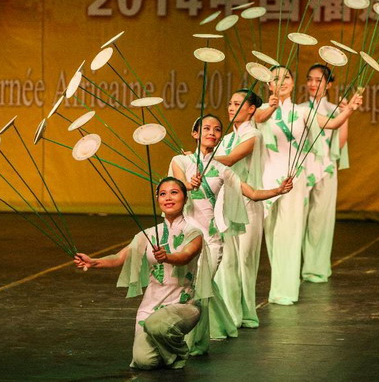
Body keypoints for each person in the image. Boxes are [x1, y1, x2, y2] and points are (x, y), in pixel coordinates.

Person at [169, 114, 292, 353]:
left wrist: (279, 189)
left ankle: (195, 342)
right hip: (186, 237)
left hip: (212, 238)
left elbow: (253, 194)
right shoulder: (180, 162)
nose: (212, 132)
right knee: (186, 288)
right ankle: (220, 325)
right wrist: (189, 185)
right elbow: (176, 188)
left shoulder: (222, 169)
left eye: (217, 129)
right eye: (206, 128)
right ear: (195, 134)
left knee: (200, 290)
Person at [73, 177, 212, 370]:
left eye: (174, 192)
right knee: (143, 361)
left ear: (185, 198)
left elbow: (185, 256)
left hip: (183, 305)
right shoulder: (149, 234)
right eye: (163, 194)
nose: (168, 198)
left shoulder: (194, 233)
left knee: (157, 325)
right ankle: (165, 350)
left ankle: (179, 352)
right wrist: (94, 261)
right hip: (151, 305)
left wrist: (167, 256)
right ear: (158, 200)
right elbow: (119, 257)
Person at [254, 66, 362, 305]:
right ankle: (279, 286)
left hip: (294, 179)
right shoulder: (260, 110)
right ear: (269, 84)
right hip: (267, 181)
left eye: (286, 78)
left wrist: (349, 110)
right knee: (272, 236)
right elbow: (257, 120)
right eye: (275, 79)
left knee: (290, 233)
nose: (281, 82)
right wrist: (271, 106)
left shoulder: (302, 112)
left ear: (292, 84)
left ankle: (285, 290)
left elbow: (332, 125)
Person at [214, 89, 265, 328]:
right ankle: (232, 314)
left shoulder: (254, 134)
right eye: (230, 103)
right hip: (227, 203)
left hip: (249, 203)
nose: (231, 107)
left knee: (246, 259)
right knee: (228, 261)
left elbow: (232, 160)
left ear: (251, 108)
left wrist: (201, 156)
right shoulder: (225, 139)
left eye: (237, 103)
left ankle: (247, 313)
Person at [299, 64, 349, 283]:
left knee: (321, 220)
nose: (312, 84)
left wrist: (346, 113)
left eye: (318, 80)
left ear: (328, 84)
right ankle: (297, 266)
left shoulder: (335, 110)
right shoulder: (298, 109)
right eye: (309, 79)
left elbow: (339, 142)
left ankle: (316, 267)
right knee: (298, 220)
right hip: (302, 169)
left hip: (326, 168)